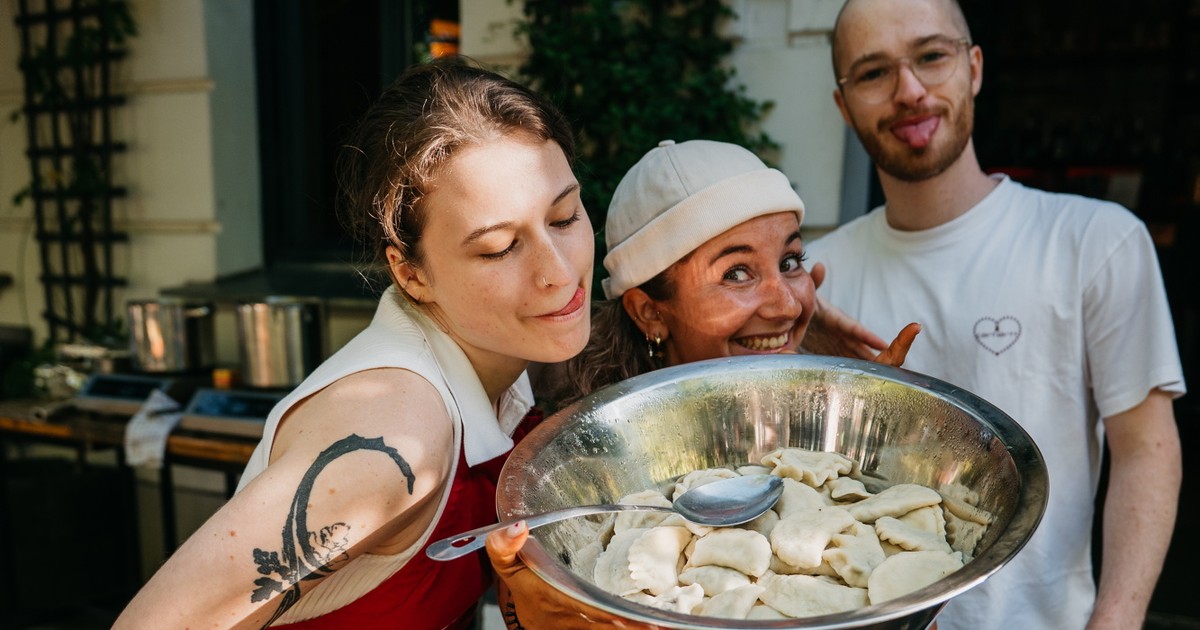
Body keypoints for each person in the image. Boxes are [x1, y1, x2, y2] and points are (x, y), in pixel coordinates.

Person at [114, 57, 606, 629]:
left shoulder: (504, 365)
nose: (558, 271)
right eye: (498, 247)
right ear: (411, 273)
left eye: (565, 216)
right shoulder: (397, 431)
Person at [805, 1, 1186, 628]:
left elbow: (1145, 449)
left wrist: (1116, 621)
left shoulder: (1094, 240)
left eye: (931, 56)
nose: (909, 91)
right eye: (873, 73)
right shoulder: (820, 277)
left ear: (974, 67)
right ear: (844, 105)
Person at [486, 138, 920, 627]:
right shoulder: (578, 472)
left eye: (790, 262)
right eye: (737, 273)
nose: (788, 305)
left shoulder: (834, 431)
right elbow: (523, 612)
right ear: (650, 311)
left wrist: (881, 446)